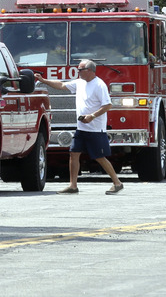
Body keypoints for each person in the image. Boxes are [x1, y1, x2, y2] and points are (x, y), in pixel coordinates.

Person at [34, 59, 123, 195]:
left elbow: (108, 105)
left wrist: (92, 116)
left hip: (95, 128)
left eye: (81, 69)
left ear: (90, 71)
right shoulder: (79, 83)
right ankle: (73, 186)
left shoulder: (99, 85)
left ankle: (117, 183)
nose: (78, 72)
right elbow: (62, 85)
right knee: (74, 153)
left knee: (99, 157)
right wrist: (44, 80)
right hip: (81, 128)